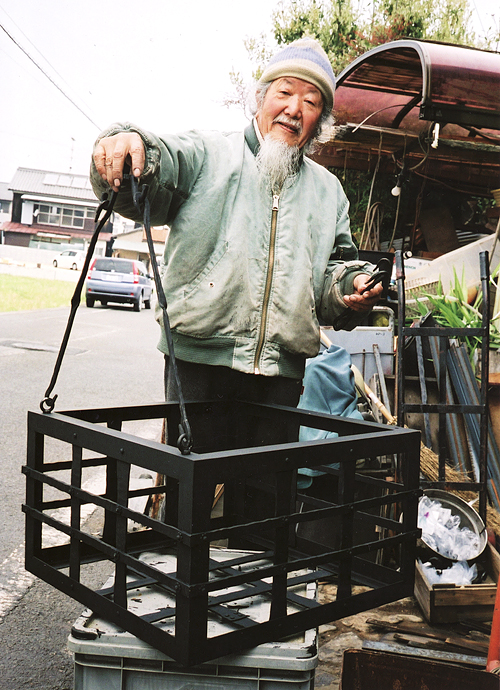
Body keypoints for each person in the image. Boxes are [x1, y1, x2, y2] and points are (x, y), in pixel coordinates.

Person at [90, 37, 383, 451]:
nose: (295, 109)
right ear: (260, 99)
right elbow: (162, 162)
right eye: (284, 92)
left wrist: (350, 288)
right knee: (189, 503)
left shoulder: (329, 192)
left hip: (282, 376)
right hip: (199, 361)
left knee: (264, 507)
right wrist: (127, 143)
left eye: (311, 101)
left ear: (321, 121)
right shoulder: (210, 154)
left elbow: (334, 270)